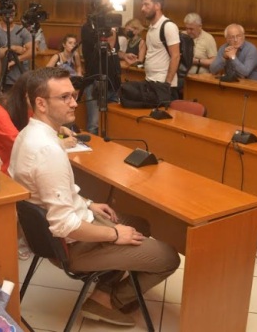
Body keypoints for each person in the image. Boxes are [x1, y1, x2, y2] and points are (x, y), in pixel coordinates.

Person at [9, 67, 180, 327]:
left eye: (73, 95)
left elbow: (52, 195)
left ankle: (102, 292)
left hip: (59, 235)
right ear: (41, 104)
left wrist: (87, 204)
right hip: (70, 246)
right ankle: (111, 300)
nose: (74, 103)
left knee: (140, 224)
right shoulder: (47, 150)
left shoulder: (28, 134)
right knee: (169, 258)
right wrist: (114, 234)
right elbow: (64, 225)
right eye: (64, 97)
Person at [0, 71, 78, 175]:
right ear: (27, 96)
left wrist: (59, 129)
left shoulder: (28, 109)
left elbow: (37, 132)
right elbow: (19, 144)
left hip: (19, 164)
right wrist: (60, 143)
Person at [80, 0, 122, 135]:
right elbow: (96, 51)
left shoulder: (111, 27)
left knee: (114, 123)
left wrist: (123, 55)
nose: (109, 4)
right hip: (96, 79)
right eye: (106, 1)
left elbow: (114, 49)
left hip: (112, 80)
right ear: (96, 4)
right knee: (94, 124)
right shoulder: (88, 27)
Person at [139, 0, 181, 101]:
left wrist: (167, 83)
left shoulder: (168, 26)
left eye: (146, 5)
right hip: (150, 80)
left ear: (157, 5)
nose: (142, 9)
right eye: (142, 5)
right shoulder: (151, 28)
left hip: (163, 84)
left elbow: (175, 56)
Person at [0, 8, 33, 90]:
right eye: (8, 10)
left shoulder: (22, 30)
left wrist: (15, 60)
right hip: (0, 79)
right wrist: (13, 48)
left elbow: (33, 51)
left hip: (19, 78)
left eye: (13, 11)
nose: (11, 14)